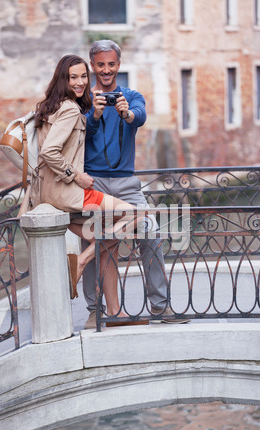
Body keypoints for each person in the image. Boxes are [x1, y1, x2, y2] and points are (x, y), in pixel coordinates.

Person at [30, 54, 148, 327]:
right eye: (74, 77)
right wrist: (77, 176)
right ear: (63, 79)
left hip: (48, 193)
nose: (81, 82)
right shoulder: (71, 109)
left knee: (104, 235)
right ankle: (82, 261)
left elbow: (137, 117)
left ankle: (114, 312)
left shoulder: (50, 106)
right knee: (136, 216)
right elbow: (50, 151)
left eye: (84, 76)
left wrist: (118, 113)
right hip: (69, 190)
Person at [83, 40, 170, 329]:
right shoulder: (84, 100)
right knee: (93, 237)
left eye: (111, 64)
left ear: (118, 65)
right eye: (100, 64)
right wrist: (94, 114)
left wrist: (126, 113)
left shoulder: (131, 95)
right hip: (93, 184)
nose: (106, 70)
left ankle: (161, 306)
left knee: (151, 233)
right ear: (93, 65)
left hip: (127, 185)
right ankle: (95, 310)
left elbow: (140, 117)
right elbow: (79, 133)